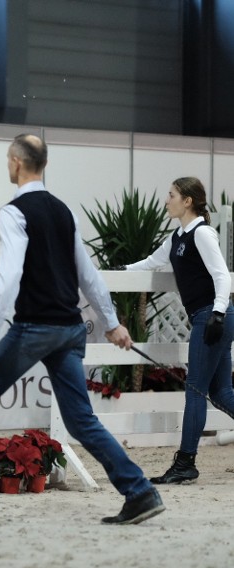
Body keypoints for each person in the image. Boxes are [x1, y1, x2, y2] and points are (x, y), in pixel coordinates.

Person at [0, 134, 164, 525]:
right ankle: (139, 491)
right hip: (70, 329)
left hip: (36, 327)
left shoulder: (14, 212)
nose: (7, 165)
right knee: (81, 420)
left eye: (8, 159)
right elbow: (88, 275)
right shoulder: (62, 211)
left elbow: (10, 273)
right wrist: (113, 324)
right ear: (43, 164)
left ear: (17, 162)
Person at [120, 176, 234, 484]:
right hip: (210, 316)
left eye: (171, 195)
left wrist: (219, 313)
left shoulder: (202, 233)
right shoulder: (177, 236)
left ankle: (185, 463)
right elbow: (151, 262)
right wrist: (123, 272)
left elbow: (223, 277)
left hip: (211, 316)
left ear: (188, 201)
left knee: (195, 389)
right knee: (221, 392)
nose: (166, 200)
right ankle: (185, 463)